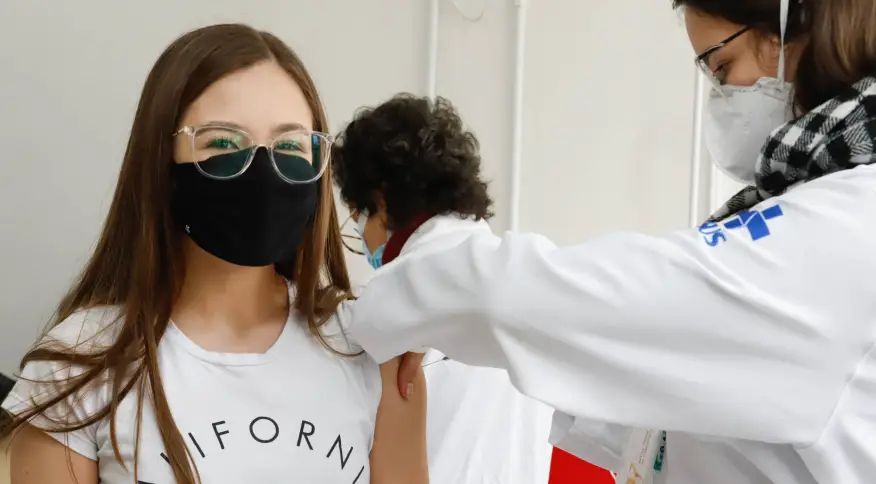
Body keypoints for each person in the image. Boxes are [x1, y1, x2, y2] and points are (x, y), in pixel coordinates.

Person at [346, 0, 876, 483]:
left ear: (791, 27)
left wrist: (396, 305)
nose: (721, 99)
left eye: (722, 67)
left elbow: (586, 300)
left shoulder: (843, 231)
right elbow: (695, 415)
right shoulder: (813, 205)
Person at [0, 24, 427, 484]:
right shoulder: (77, 366)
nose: (263, 171)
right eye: (222, 142)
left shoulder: (372, 346)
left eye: (289, 146)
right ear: (162, 162)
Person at [331, 94, 555, 484]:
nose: (362, 237)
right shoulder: (528, 282)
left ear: (379, 203)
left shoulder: (385, 304)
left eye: (357, 216)